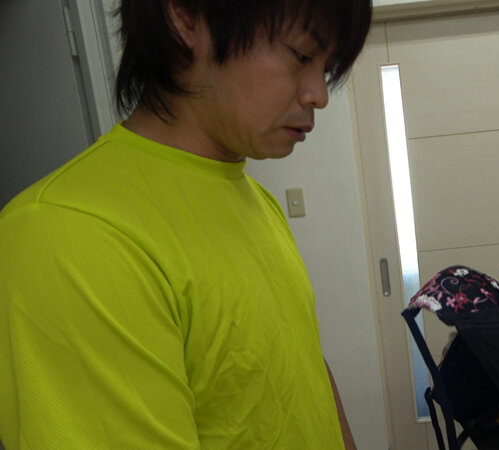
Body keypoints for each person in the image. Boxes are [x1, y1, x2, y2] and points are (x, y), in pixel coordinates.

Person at [0, 0, 371, 448]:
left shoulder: (259, 203)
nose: (319, 95)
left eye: (326, 67)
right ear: (185, 17)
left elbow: (308, 373)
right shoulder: (68, 234)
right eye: (301, 55)